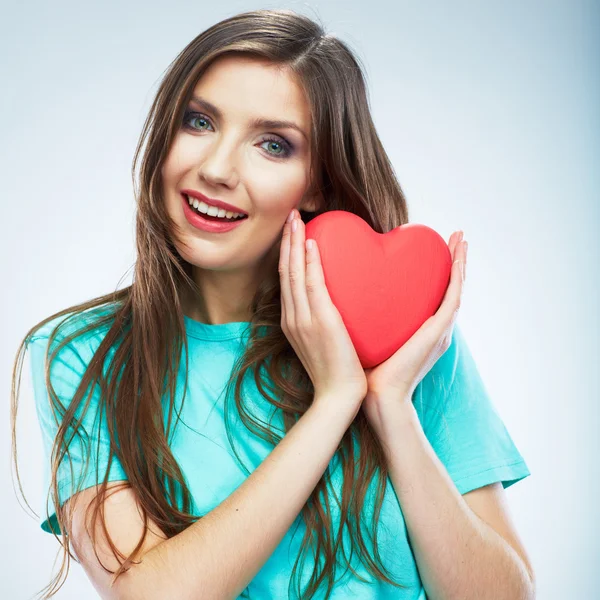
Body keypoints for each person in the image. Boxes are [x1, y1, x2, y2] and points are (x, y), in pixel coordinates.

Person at [10, 8, 534, 600]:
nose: (214, 169)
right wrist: (334, 402)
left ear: (318, 179)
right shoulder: (83, 354)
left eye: (272, 144)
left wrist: (391, 404)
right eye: (199, 121)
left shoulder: (408, 339)